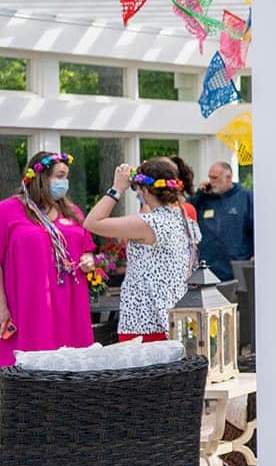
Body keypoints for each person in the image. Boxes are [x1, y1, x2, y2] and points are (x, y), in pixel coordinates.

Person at [84, 157, 200, 341]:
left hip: (145, 320)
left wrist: (117, 188)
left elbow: (91, 222)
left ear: (145, 190)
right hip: (173, 315)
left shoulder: (150, 223)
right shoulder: (183, 218)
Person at [0, 152, 96, 366]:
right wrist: (1, 306)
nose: (65, 182)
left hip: (70, 300)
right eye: (60, 176)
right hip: (27, 303)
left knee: (70, 364)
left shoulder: (72, 211)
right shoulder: (8, 210)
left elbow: (86, 247)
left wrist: (88, 259)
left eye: (66, 177)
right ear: (41, 177)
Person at [190, 161, 253, 281]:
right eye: (209, 177)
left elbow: (256, 228)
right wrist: (199, 194)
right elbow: (187, 212)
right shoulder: (204, 198)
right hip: (209, 266)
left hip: (236, 266)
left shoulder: (245, 198)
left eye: (215, 178)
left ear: (228, 177)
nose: (211, 181)